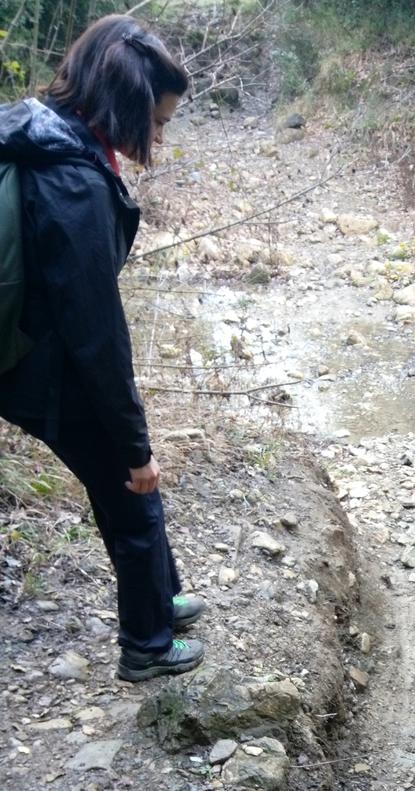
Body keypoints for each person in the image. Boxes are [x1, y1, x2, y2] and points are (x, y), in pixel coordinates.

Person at [0, 14, 206, 682]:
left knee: (129, 482)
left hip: (24, 347)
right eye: (159, 121)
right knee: (132, 487)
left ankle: (164, 598)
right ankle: (147, 645)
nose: (159, 136)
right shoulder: (75, 184)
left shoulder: (39, 131)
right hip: (38, 365)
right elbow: (97, 336)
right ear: (127, 105)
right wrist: (136, 443)